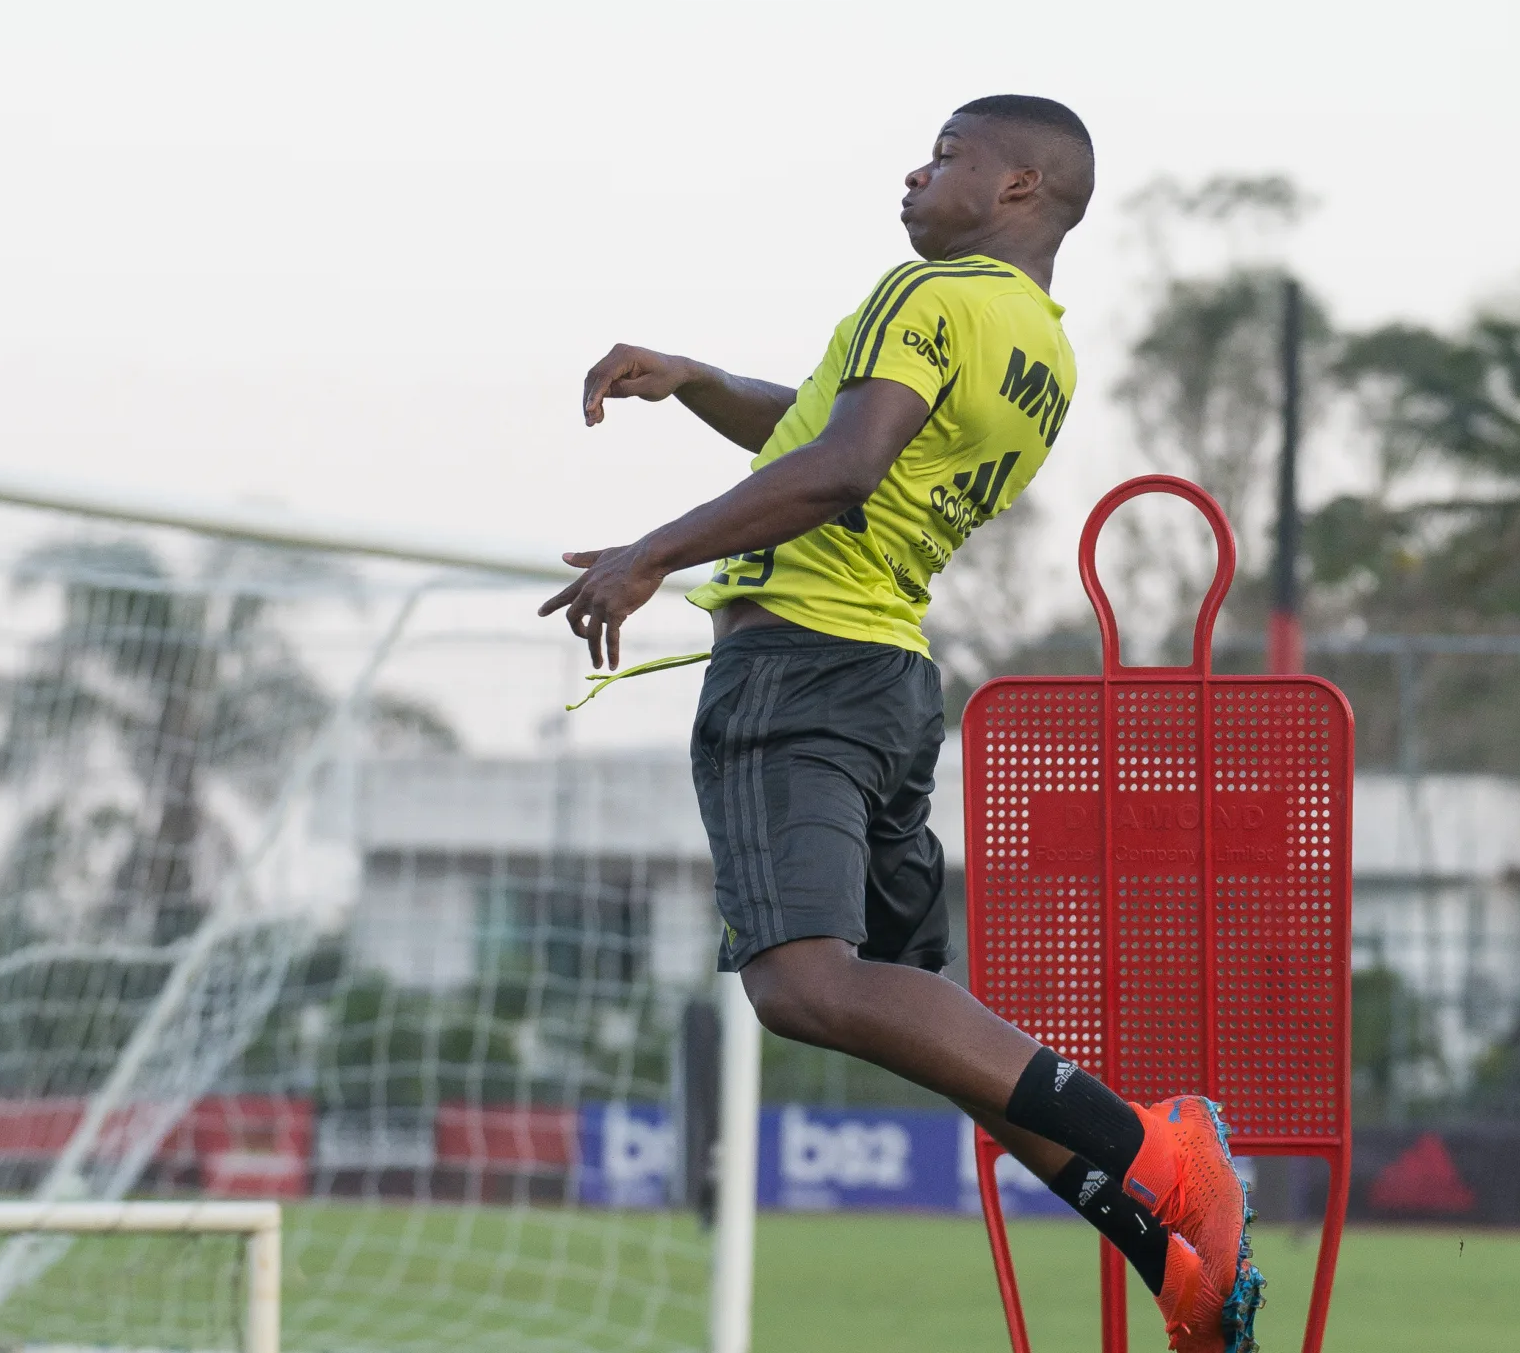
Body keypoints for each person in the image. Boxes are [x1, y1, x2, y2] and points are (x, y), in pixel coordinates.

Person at [539, 95, 1261, 1353]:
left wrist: (652, 553)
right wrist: (705, 382)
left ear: (1020, 188)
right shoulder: (1038, 348)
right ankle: (1174, 1262)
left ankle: (1156, 1147)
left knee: (803, 988)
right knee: (932, 1031)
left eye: (948, 155)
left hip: (800, 667)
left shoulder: (921, 296)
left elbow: (839, 470)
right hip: (887, 683)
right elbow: (833, 434)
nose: (915, 174)